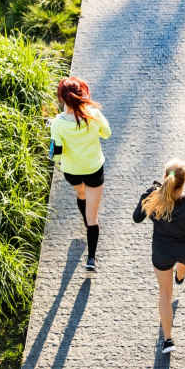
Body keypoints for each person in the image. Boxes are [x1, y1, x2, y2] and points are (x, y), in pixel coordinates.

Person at [133, 159, 185, 354]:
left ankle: (168, 340)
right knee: (184, 265)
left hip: (162, 251)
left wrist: (146, 194)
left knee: (165, 293)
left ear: (165, 177)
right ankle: (180, 276)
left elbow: (137, 217)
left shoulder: (154, 197)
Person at [49, 77, 111, 271]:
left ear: (62, 99)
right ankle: (91, 259)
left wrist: (61, 162)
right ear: (82, 94)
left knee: (80, 194)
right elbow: (106, 133)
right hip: (93, 168)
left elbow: (56, 153)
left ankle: (84, 217)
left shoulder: (57, 124)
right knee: (93, 218)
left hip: (71, 170)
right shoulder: (93, 115)